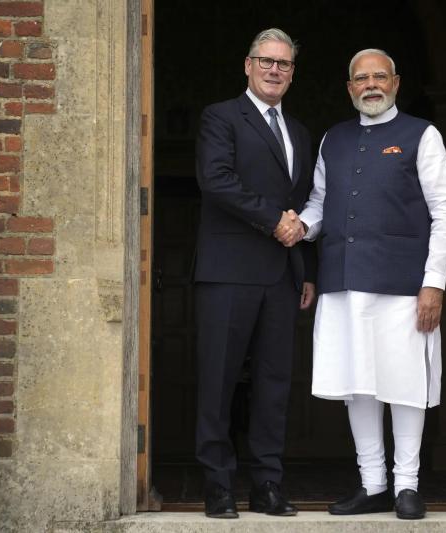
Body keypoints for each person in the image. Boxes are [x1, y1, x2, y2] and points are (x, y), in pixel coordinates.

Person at [276, 48, 446, 520]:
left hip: (403, 285)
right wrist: (304, 227)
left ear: (396, 83)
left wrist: (434, 282)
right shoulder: (332, 140)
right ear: (350, 88)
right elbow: (319, 201)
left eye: (380, 76)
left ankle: (407, 486)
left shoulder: (423, 135)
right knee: (357, 385)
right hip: (343, 282)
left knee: (403, 383)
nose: (371, 85)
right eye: (362, 78)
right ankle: (373, 482)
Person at [193, 28, 315, 519]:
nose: (273, 70)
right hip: (227, 272)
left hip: (282, 276)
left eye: (283, 64)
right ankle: (218, 485)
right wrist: (275, 221)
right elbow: (216, 181)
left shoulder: (300, 133)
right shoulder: (221, 117)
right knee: (217, 381)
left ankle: (268, 485)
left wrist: (307, 269)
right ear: (247, 65)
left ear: (292, 73)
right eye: (265, 61)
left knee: (274, 385)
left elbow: (305, 203)